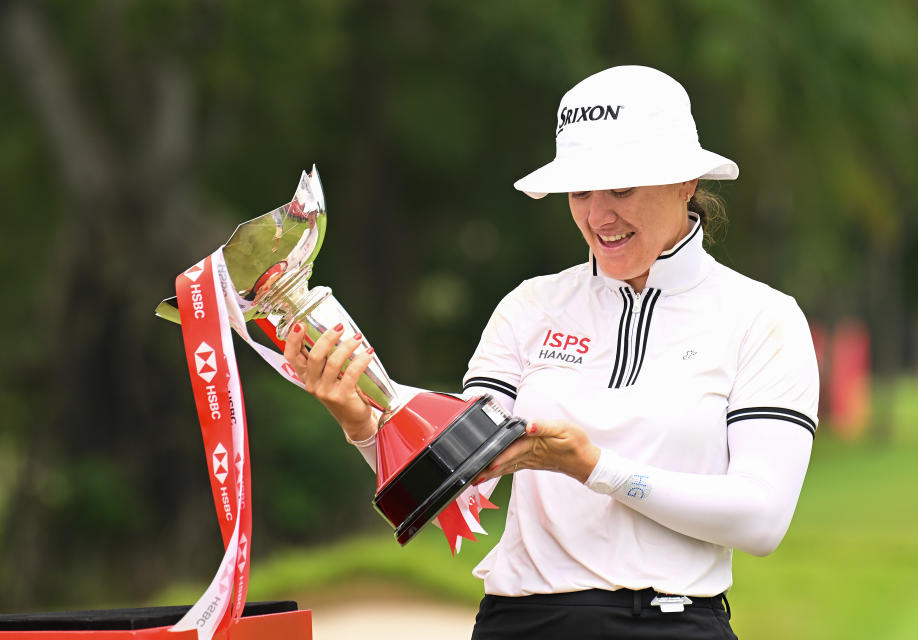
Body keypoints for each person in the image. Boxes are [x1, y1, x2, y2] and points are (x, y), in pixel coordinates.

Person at [283, 65, 819, 640]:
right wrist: (362, 422)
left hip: (671, 622)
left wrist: (593, 468)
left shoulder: (763, 317)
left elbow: (761, 520)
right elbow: (463, 491)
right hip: (520, 622)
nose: (598, 216)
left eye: (621, 187)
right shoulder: (531, 306)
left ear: (686, 182)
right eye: (581, 190)